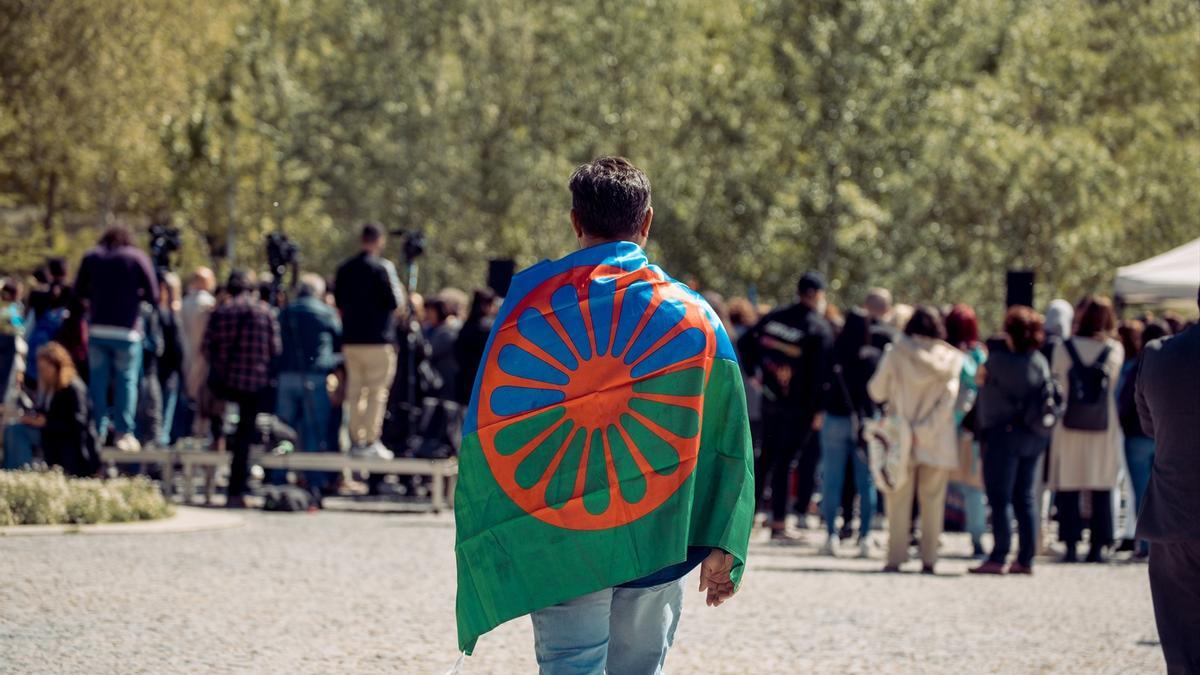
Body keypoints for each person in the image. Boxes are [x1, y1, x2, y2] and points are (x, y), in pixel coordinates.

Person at [454, 157, 755, 671]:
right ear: (647, 221)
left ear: (576, 220)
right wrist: (726, 537)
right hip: (656, 531)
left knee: (569, 666)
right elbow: (727, 437)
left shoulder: (530, 311)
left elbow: (494, 426)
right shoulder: (694, 317)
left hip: (561, 533)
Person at [738, 271, 834, 539]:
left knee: (765, 458)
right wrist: (819, 409)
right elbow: (823, 376)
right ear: (817, 294)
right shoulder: (818, 328)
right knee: (784, 462)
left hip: (771, 400)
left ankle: (749, 519)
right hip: (799, 408)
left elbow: (745, 342)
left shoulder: (775, 317)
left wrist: (755, 375)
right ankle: (778, 522)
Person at [868, 305, 962, 574]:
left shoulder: (896, 352)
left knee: (897, 499)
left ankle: (895, 557)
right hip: (937, 439)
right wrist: (925, 430)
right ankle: (929, 558)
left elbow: (876, 391)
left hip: (900, 435)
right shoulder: (951, 359)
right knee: (933, 500)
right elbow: (949, 400)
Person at [1135, 291, 1200, 673]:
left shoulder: (1158, 355)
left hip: (1173, 514)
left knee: (1182, 653)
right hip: (1174, 514)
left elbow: (1149, 425)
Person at [969, 307, 1055, 575]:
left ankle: (999, 555)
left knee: (1000, 497)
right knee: (1025, 497)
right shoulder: (1039, 361)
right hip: (1033, 436)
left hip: (1002, 435)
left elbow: (981, 389)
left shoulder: (997, 362)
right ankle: (1026, 558)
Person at [1048, 296, 1123, 564]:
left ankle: (1070, 543)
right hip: (1103, 424)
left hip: (1069, 422)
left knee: (1069, 484)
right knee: (1101, 484)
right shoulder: (1114, 350)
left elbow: (1057, 380)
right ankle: (1098, 545)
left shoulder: (1063, 348)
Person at [74, 225, 158, 451]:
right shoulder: (136, 257)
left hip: (98, 329)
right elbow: (154, 294)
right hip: (126, 331)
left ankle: (97, 429)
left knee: (98, 381)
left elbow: (78, 291)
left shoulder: (92, 257)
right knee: (126, 381)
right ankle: (123, 432)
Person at [202, 270, 281, 508]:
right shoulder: (264, 312)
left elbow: (207, 347)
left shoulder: (221, 312)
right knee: (244, 438)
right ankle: (236, 491)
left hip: (225, 383)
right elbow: (275, 350)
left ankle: (210, 481)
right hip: (253, 384)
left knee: (216, 432)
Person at [334, 223, 406, 459]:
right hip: (378, 341)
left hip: (351, 341)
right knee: (376, 392)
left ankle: (356, 440)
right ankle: (371, 440)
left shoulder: (344, 269)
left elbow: (339, 302)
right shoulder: (382, 268)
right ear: (379, 240)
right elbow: (395, 303)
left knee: (354, 391)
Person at [817, 308, 882, 557]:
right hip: (865, 423)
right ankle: (865, 537)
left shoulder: (834, 353)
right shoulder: (872, 357)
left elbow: (822, 385)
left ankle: (831, 536)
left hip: (835, 419)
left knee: (832, 481)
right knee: (866, 483)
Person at [275, 273, 341, 500]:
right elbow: (338, 340)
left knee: (283, 430)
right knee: (314, 430)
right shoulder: (326, 313)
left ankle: (278, 476)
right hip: (315, 377)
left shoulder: (287, 311)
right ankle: (315, 480)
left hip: (286, 375)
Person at [5, 343, 96, 476]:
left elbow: (78, 424)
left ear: (58, 366)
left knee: (17, 432)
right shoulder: (48, 387)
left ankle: (18, 472)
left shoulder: (73, 388)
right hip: (50, 435)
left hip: (67, 441)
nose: (43, 373)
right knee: (13, 428)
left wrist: (46, 423)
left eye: (46, 368)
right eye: (40, 369)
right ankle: (12, 470)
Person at [1118, 320, 1168, 558]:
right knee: (1163, 492)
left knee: (1141, 494)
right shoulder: (1173, 364)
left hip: (1137, 436)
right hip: (1163, 436)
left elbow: (1125, 401)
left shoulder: (1139, 364)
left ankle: (1147, 544)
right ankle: (1160, 543)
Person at [945, 303, 988, 558]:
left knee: (935, 483)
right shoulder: (980, 356)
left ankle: (929, 535)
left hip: (943, 425)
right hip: (972, 428)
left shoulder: (942, 353)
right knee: (973, 487)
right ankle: (977, 538)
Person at [453, 288, 498, 405]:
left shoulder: (466, 326)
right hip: (482, 382)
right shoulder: (488, 327)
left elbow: (457, 352)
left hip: (464, 382)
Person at [424, 295, 462, 401]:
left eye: (431, 312)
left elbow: (430, 352)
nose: (428, 315)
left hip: (444, 379)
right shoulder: (428, 329)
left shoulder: (447, 332)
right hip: (432, 381)